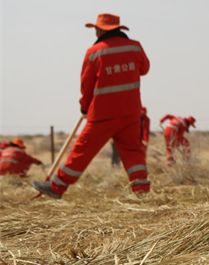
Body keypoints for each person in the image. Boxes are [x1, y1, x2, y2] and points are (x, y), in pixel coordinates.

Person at [32, 14, 151, 199]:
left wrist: (84, 108)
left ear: (103, 29)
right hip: (131, 111)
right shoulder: (135, 46)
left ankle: (56, 187)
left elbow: (86, 85)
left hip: (103, 114)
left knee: (82, 151)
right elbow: (144, 69)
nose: (95, 31)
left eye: (96, 28)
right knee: (132, 151)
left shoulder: (94, 52)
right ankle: (142, 192)